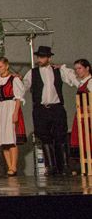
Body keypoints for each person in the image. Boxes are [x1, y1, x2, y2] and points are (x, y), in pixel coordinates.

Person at [23, 46, 81, 176]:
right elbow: (23, 86)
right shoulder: (32, 73)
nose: (40, 59)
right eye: (39, 57)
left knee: (61, 136)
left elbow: (74, 81)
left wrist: (63, 68)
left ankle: (64, 166)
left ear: (49, 58)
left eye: (43, 57)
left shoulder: (58, 70)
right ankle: (50, 166)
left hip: (56, 108)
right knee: (44, 137)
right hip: (41, 109)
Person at [0, 57, 26, 176]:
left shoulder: (13, 80)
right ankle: (9, 166)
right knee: (3, 140)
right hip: (0, 107)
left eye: (0, 66)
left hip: (10, 107)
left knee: (11, 139)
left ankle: (14, 166)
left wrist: (15, 113)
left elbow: (18, 98)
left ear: (6, 66)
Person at [69, 58, 91, 175]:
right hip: (81, 114)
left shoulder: (90, 82)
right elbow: (71, 77)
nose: (77, 71)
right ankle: (83, 167)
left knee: (88, 138)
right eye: (76, 69)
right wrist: (61, 68)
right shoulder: (82, 82)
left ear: (87, 68)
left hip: (88, 115)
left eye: (80, 68)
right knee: (80, 138)